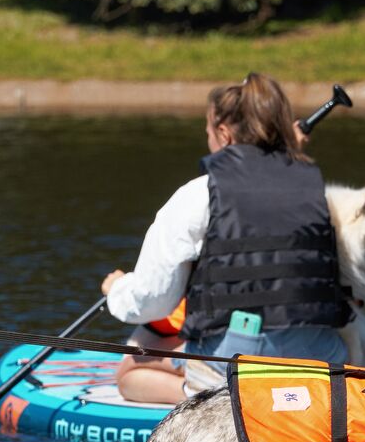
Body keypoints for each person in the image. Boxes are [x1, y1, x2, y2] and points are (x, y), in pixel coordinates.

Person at [101, 73, 351, 405]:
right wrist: (285, 158)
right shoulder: (317, 192)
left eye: (207, 133)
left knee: (130, 373)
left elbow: (154, 300)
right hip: (323, 360)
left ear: (223, 134)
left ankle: (206, 399)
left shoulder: (196, 196)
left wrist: (116, 291)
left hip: (235, 368)